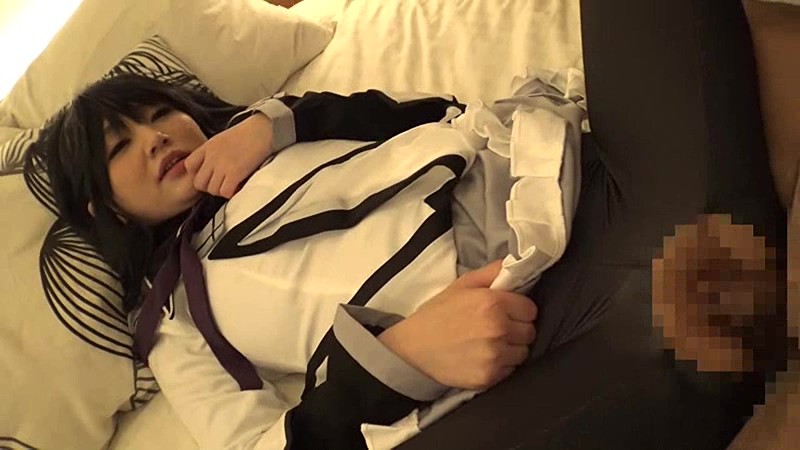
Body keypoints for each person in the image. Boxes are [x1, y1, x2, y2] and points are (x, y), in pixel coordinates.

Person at [27, 74, 540, 449]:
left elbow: (442, 111)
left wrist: (278, 124)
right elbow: (257, 444)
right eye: (119, 146)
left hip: (531, 157)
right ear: (103, 208)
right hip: (495, 306)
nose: (154, 137)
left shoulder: (269, 131)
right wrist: (401, 358)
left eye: (160, 113)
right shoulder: (170, 316)